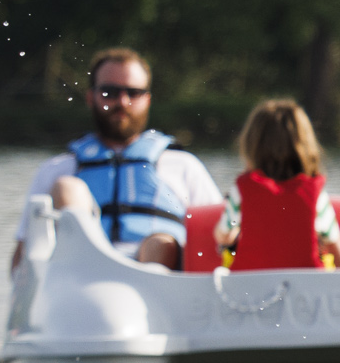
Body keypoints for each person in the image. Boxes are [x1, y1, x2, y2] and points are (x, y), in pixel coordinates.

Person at [12, 47, 221, 270]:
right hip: (80, 276)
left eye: (134, 92)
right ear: (90, 97)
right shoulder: (57, 169)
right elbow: (21, 261)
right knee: (66, 189)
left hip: (158, 280)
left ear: (148, 99)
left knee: (161, 243)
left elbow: (220, 238)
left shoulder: (184, 166)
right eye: (109, 93)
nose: (122, 102)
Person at [218, 98, 340, 270]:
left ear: (251, 145)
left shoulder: (242, 191)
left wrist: (235, 234)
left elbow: (222, 236)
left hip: (250, 291)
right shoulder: (316, 196)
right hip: (306, 291)